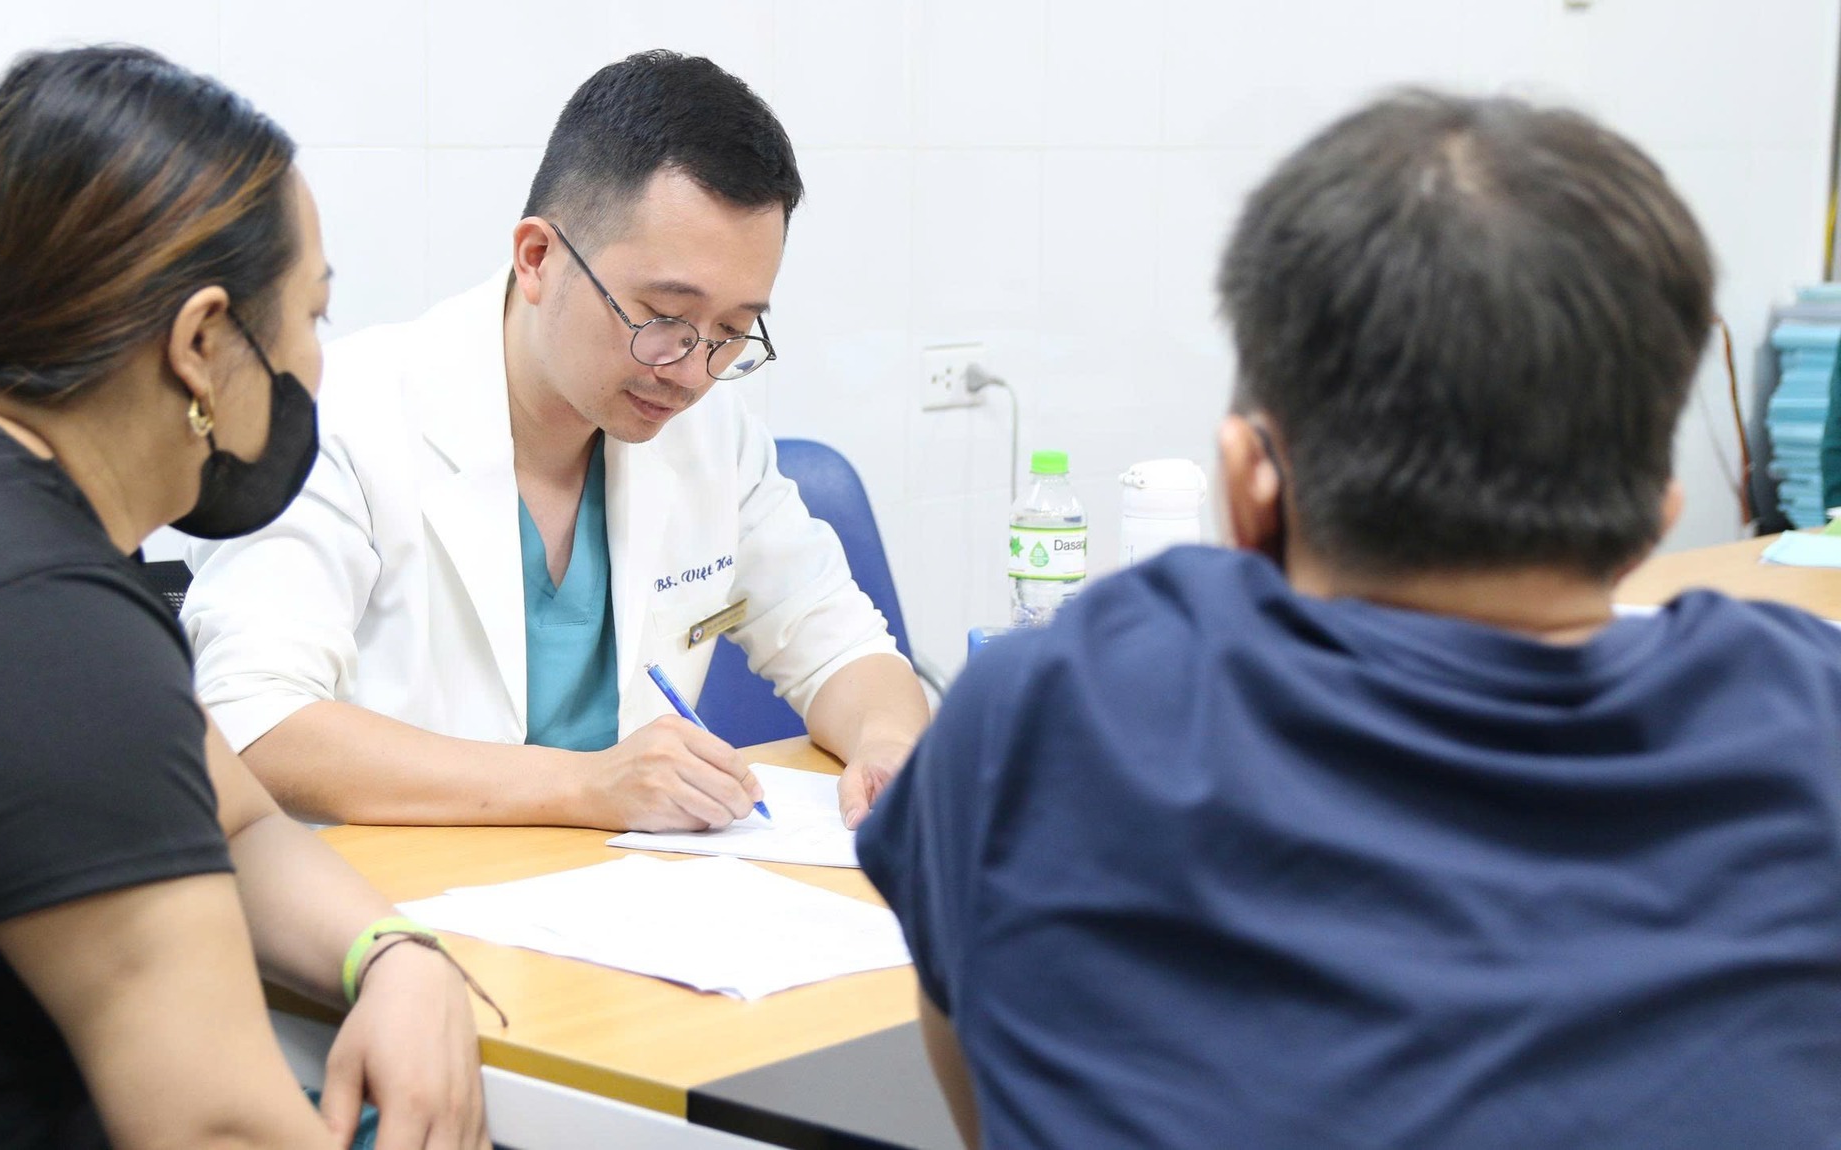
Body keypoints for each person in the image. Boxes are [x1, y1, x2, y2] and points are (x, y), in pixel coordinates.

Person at [858, 90, 1841, 1148]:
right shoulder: (1808, 721)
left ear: (1246, 485)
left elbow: (989, 1106)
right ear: (1653, 519)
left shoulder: (1049, 714)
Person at [0, 47, 488, 1149]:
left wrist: (392, 955)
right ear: (202, 342)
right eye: (311, 315)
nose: (317, 362)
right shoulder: (31, 616)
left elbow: (238, 819)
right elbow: (216, 1126)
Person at [180, 50, 929, 831]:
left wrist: (889, 744)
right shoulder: (348, 416)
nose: (692, 372)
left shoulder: (711, 435)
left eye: (733, 330)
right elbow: (250, 724)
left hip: (633, 890)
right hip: (394, 895)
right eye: (664, 317)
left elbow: (841, 645)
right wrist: (583, 786)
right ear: (537, 258)